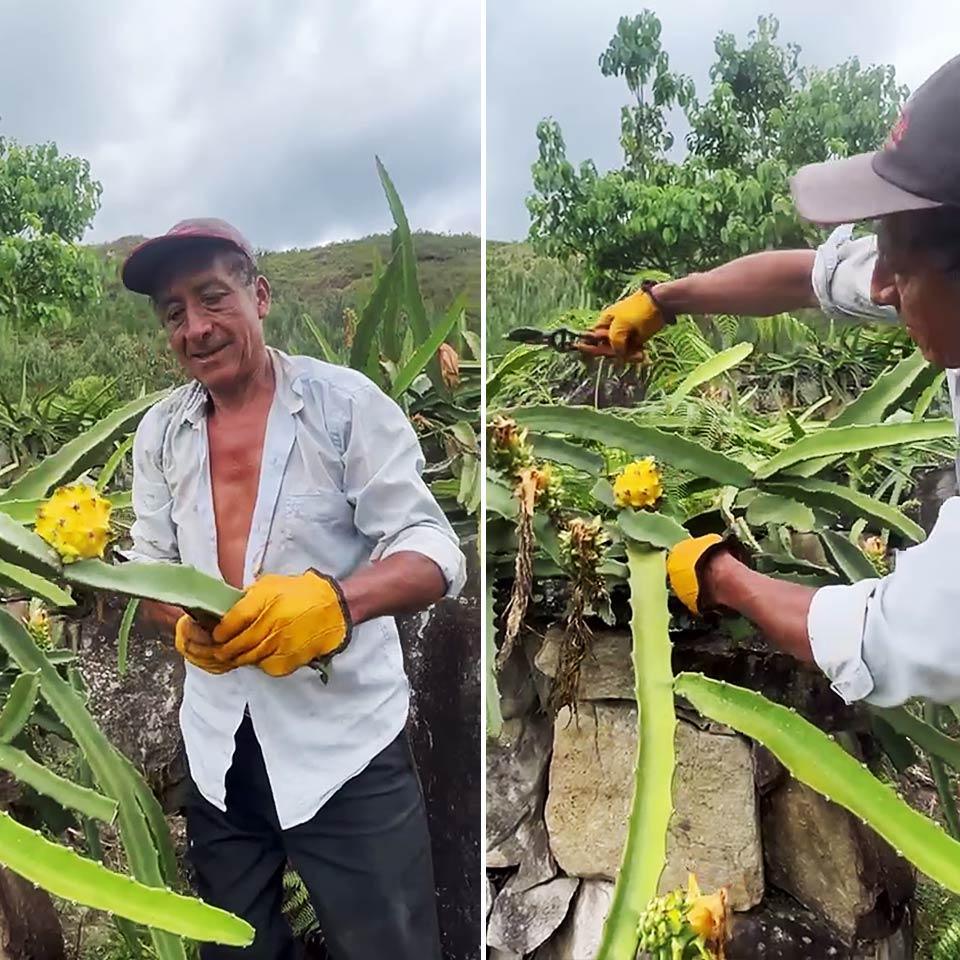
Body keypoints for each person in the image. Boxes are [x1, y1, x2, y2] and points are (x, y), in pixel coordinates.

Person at [120, 218, 466, 960]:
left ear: (261, 294)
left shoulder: (345, 406)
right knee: (234, 947)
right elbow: (147, 566)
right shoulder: (162, 434)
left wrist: (336, 604)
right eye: (174, 314)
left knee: (391, 949)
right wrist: (181, 622)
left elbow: (434, 549)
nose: (196, 327)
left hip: (343, 750)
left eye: (213, 298)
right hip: (219, 748)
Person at [580, 54, 960, 709]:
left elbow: (891, 638)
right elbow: (808, 277)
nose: (878, 286)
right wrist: (663, 302)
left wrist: (723, 576)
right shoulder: (931, 268)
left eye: (898, 269)